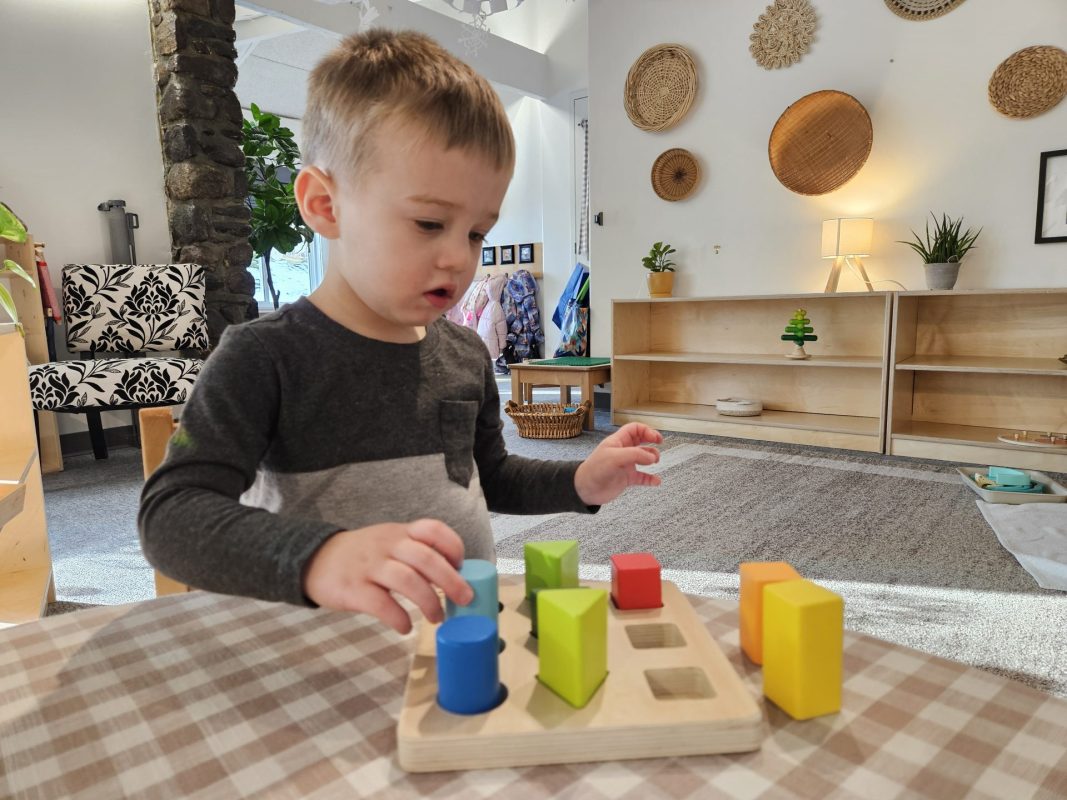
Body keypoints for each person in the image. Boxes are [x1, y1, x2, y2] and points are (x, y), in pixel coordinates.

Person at [139, 29, 663, 635]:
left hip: (457, 641)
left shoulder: (466, 353)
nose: (459, 258)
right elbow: (171, 515)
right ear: (325, 205)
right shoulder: (264, 356)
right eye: (429, 222)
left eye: (476, 232)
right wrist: (321, 556)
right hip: (325, 651)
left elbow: (488, 477)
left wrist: (577, 481)